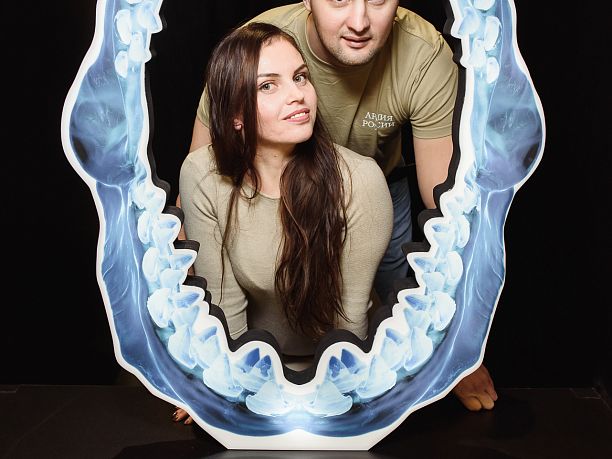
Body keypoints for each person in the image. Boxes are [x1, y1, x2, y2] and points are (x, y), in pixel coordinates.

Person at [176, 1, 497, 421]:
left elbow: (444, 207)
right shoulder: (258, 44)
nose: (359, 21)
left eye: (300, 77)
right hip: (257, 182)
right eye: (268, 85)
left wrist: (453, 346)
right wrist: (214, 380)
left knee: (384, 306)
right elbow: (209, 171)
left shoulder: (420, 55)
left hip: (370, 189)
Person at [175, 22, 392, 423]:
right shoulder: (202, 174)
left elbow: (349, 327)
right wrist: (226, 389)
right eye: (268, 85)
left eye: (300, 77)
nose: (297, 94)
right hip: (255, 364)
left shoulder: (360, 180)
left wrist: (328, 409)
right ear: (235, 115)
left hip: (342, 371)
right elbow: (225, 310)